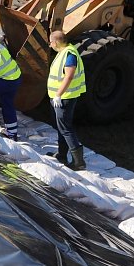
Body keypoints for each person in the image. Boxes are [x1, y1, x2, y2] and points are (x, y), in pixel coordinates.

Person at [47, 30, 87, 170]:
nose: (50, 44)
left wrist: (58, 94)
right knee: (61, 127)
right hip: (60, 97)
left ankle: (79, 162)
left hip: (65, 98)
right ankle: (62, 154)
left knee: (65, 127)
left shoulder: (69, 54)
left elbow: (69, 76)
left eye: (50, 41)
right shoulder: (63, 52)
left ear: (56, 42)